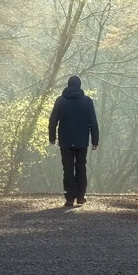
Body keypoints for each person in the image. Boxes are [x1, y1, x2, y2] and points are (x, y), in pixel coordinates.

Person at [48, 75, 99, 207]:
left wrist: (52, 137)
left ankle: (70, 197)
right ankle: (81, 196)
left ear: (68, 85)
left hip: (65, 139)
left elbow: (53, 120)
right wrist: (95, 139)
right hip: (82, 140)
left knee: (68, 168)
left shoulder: (60, 101)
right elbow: (93, 122)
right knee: (81, 167)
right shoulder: (87, 101)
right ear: (79, 85)